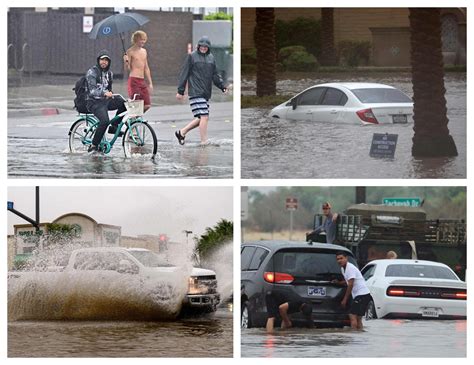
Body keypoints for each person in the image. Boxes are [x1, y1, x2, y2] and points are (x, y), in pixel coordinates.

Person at [175, 36, 228, 146]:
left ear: (208, 48)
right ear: (198, 46)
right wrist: (180, 91)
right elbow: (184, 73)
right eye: (202, 46)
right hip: (195, 91)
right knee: (204, 116)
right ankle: (204, 141)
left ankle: (182, 132)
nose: (203, 48)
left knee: (201, 118)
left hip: (205, 93)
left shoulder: (211, 58)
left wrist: (222, 86)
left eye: (206, 47)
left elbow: (215, 75)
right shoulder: (192, 57)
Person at [85, 49, 127, 153]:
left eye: (106, 60)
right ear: (98, 60)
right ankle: (93, 145)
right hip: (93, 102)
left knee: (123, 102)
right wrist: (104, 93)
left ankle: (114, 126)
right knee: (104, 121)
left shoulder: (109, 74)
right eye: (102, 59)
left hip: (105, 101)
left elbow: (109, 89)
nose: (104, 62)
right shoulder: (92, 72)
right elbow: (92, 91)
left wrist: (110, 94)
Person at [333, 251, 372, 330]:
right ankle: (359, 335)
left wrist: (345, 300)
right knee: (358, 318)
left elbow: (350, 284)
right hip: (362, 295)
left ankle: (354, 335)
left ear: (346, 258)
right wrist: (339, 282)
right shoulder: (343, 269)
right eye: (337, 259)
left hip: (362, 294)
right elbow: (348, 280)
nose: (339, 261)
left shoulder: (350, 268)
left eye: (341, 258)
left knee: (352, 315)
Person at [123, 30, 153, 112]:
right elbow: (127, 69)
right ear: (136, 40)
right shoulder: (130, 52)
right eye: (141, 39)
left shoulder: (144, 51)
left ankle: (134, 117)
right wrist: (126, 62)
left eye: (144, 39)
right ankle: (133, 119)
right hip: (134, 80)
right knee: (136, 104)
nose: (143, 41)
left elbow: (146, 67)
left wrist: (150, 82)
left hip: (142, 81)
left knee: (147, 105)